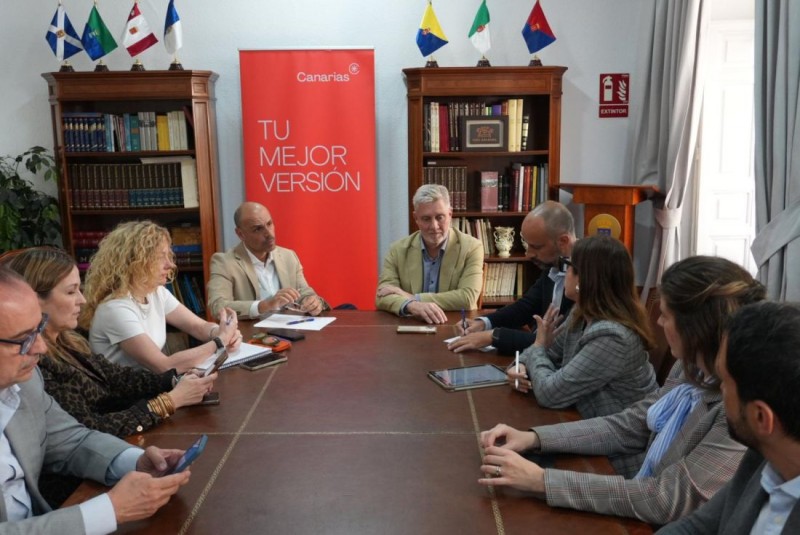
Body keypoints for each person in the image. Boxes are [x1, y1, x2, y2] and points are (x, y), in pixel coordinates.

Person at [478, 256, 765, 524]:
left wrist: (541, 481)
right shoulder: (689, 367)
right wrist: (533, 438)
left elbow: (666, 498)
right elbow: (630, 424)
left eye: (666, 316)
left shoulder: (738, 408)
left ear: (696, 328)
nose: (659, 322)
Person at [0, 265, 191, 533]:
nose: (40, 347)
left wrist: (135, 462)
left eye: (37, 329)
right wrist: (109, 510)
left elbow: (71, 440)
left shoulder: (26, 383)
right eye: (23, 339)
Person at [657, 301, 800, 534]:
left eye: (724, 381)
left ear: (761, 417)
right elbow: (698, 527)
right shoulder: (761, 459)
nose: (719, 389)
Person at [506, 236, 658, 418]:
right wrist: (519, 367)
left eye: (568, 266)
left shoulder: (611, 336)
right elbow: (550, 352)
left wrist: (538, 347)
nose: (564, 272)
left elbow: (549, 394)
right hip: (584, 417)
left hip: (622, 430)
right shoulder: (581, 311)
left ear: (584, 279)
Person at [81, 220, 242, 373]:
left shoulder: (156, 292)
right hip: (129, 392)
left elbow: (197, 327)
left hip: (152, 384)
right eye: (160, 257)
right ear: (134, 262)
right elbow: (164, 366)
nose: (170, 264)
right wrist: (220, 341)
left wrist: (220, 331)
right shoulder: (115, 308)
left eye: (168, 255)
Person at [448, 201, 576, 354]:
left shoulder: (588, 278)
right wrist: (484, 323)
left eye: (536, 247)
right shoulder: (554, 264)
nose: (528, 254)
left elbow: (556, 343)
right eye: (527, 245)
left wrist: (494, 336)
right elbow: (525, 307)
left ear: (563, 241)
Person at [376, 184, 483, 324]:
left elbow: (467, 297)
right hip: (411, 326)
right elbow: (382, 296)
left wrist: (413, 297)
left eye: (440, 217)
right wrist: (412, 305)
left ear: (450, 214)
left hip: (455, 326)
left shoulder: (471, 247)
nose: (434, 226)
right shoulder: (397, 250)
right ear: (416, 218)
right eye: (426, 219)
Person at [207, 201, 329, 319]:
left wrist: (311, 301)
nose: (269, 234)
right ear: (240, 234)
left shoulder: (288, 256)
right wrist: (265, 305)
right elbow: (218, 306)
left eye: (269, 224)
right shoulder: (224, 262)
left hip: (291, 329)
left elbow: (304, 292)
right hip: (252, 332)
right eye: (258, 229)